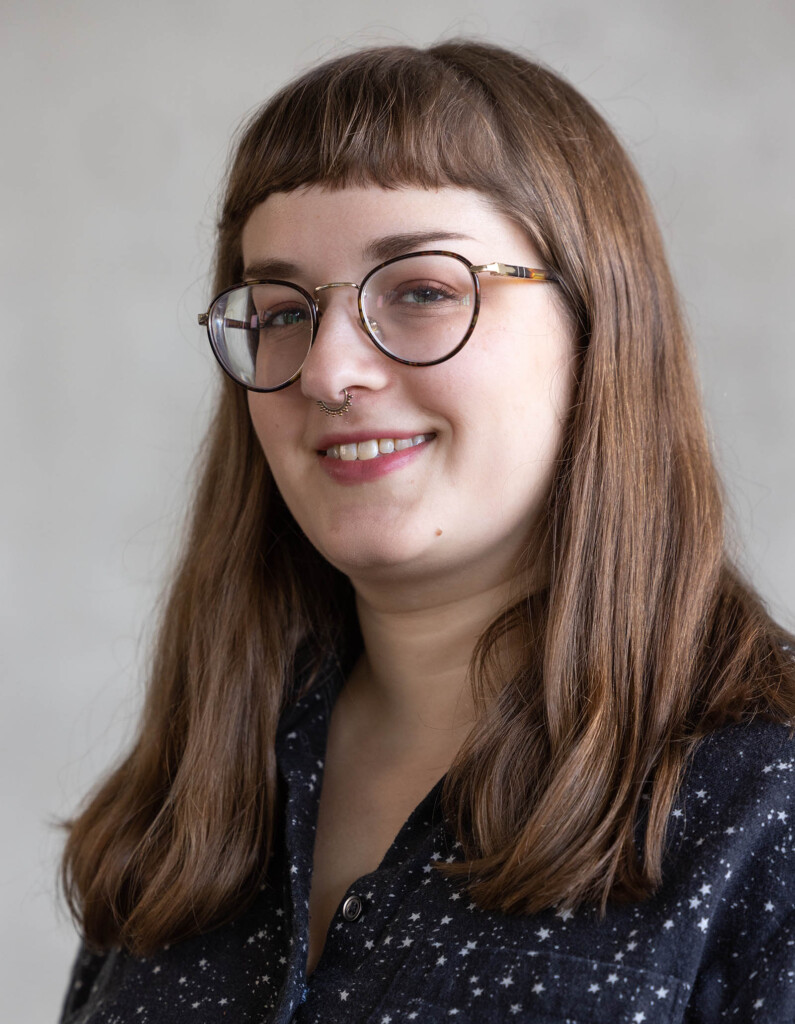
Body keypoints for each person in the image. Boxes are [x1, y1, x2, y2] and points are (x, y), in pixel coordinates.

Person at [57, 40, 795, 1024]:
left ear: (597, 324)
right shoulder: (192, 799)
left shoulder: (764, 802)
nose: (327, 371)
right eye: (280, 311)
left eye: (420, 291)